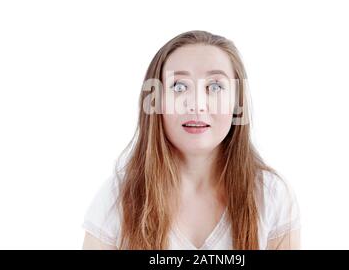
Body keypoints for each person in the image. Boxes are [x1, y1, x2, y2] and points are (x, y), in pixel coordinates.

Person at [82, 30, 301, 249]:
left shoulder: (272, 197)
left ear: (236, 102)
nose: (197, 104)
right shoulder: (116, 200)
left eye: (215, 87)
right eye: (179, 86)